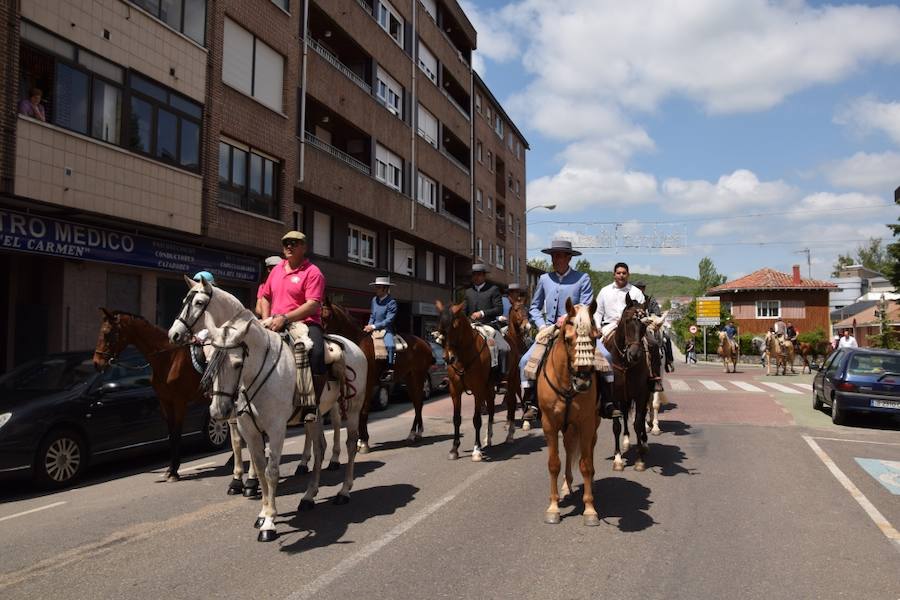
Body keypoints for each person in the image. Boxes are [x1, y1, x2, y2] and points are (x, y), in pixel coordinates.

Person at [519, 240, 594, 421]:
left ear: (569, 258)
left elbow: (587, 305)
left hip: (576, 330)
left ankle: (607, 401)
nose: (555, 259)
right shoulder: (544, 279)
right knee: (525, 361)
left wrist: (570, 316)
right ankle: (531, 403)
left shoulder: (582, 278)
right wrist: (542, 325)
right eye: (553, 256)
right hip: (550, 330)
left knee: (605, 357)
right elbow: (535, 307)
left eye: (559, 255)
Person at [257, 231, 327, 415]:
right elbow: (265, 296)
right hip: (274, 321)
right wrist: (266, 319)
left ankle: (312, 404)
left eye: (294, 243)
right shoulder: (277, 269)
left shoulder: (313, 273)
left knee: (317, 352)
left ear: (304, 247)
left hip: (305, 322)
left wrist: (286, 318)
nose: (289, 246)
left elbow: (312, 305)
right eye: (286, 243)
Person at [594, 262, 646, 416]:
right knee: (598, 352)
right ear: (614, 274)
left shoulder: (636, 292)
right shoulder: (604, 291)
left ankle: (653, 379)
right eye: (618, 273)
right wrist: (597, 327)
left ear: (628, 275)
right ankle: (598, 387)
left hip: (632, 327)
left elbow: (642, 311)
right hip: (609, 326)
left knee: (653, 344)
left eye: (624, 273)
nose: (621, 275)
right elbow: (597, 312)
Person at [460, 263, 509, 377]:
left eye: (479, 274)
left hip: (489, 325)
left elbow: (499, 309)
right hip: (472, 326)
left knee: (504, 349)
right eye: (474, 275)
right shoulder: (468, 292)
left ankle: (501, 377)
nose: (476, 277)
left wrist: (482, 313)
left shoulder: (493, 289)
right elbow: (464, 311)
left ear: (484, 276)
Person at [363, 276, 398, 382]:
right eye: (376, 287)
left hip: (386, 329)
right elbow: (372, 316)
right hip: (373, 329)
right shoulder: (374, 300)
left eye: (378, 287)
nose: (376, 289)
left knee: (390, 345)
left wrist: (374, 326)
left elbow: (389, 320)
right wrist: (369, 326)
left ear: (385, 289)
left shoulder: (392, 302)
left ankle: (389, 370)